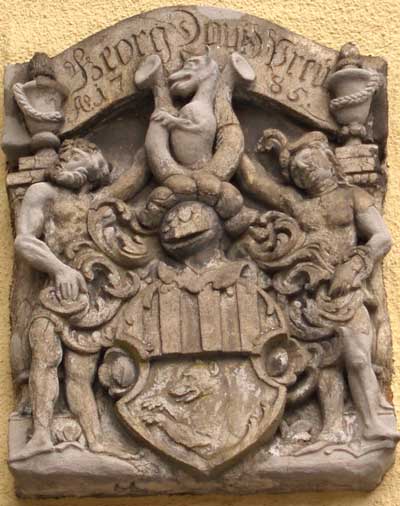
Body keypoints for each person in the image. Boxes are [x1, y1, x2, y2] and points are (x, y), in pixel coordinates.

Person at [237, 129, 399, 441]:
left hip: (346, 291)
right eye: (298, 172)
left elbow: (382, 237)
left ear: (328, 160)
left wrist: (355, 265)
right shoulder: (298, 205)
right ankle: (332, 428)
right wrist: (229, 130)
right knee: (324, 362)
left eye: (310, 163)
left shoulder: (352, 197)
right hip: (311, 295)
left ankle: (372, 422)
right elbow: (253, 181)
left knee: (357, 357)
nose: (306, 173)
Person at [13, 138, 147, 460]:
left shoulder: (97, 202)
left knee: (80, 376)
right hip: (55, 294)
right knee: (44, 357)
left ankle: (95, 441)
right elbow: (24, 242)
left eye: (77, 157)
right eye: (67, 156)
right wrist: (59, 269)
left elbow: (136, 175)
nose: (65, 162)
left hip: (93, 301)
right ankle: (41, 435)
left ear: (93, 171)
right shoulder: (43, 193)